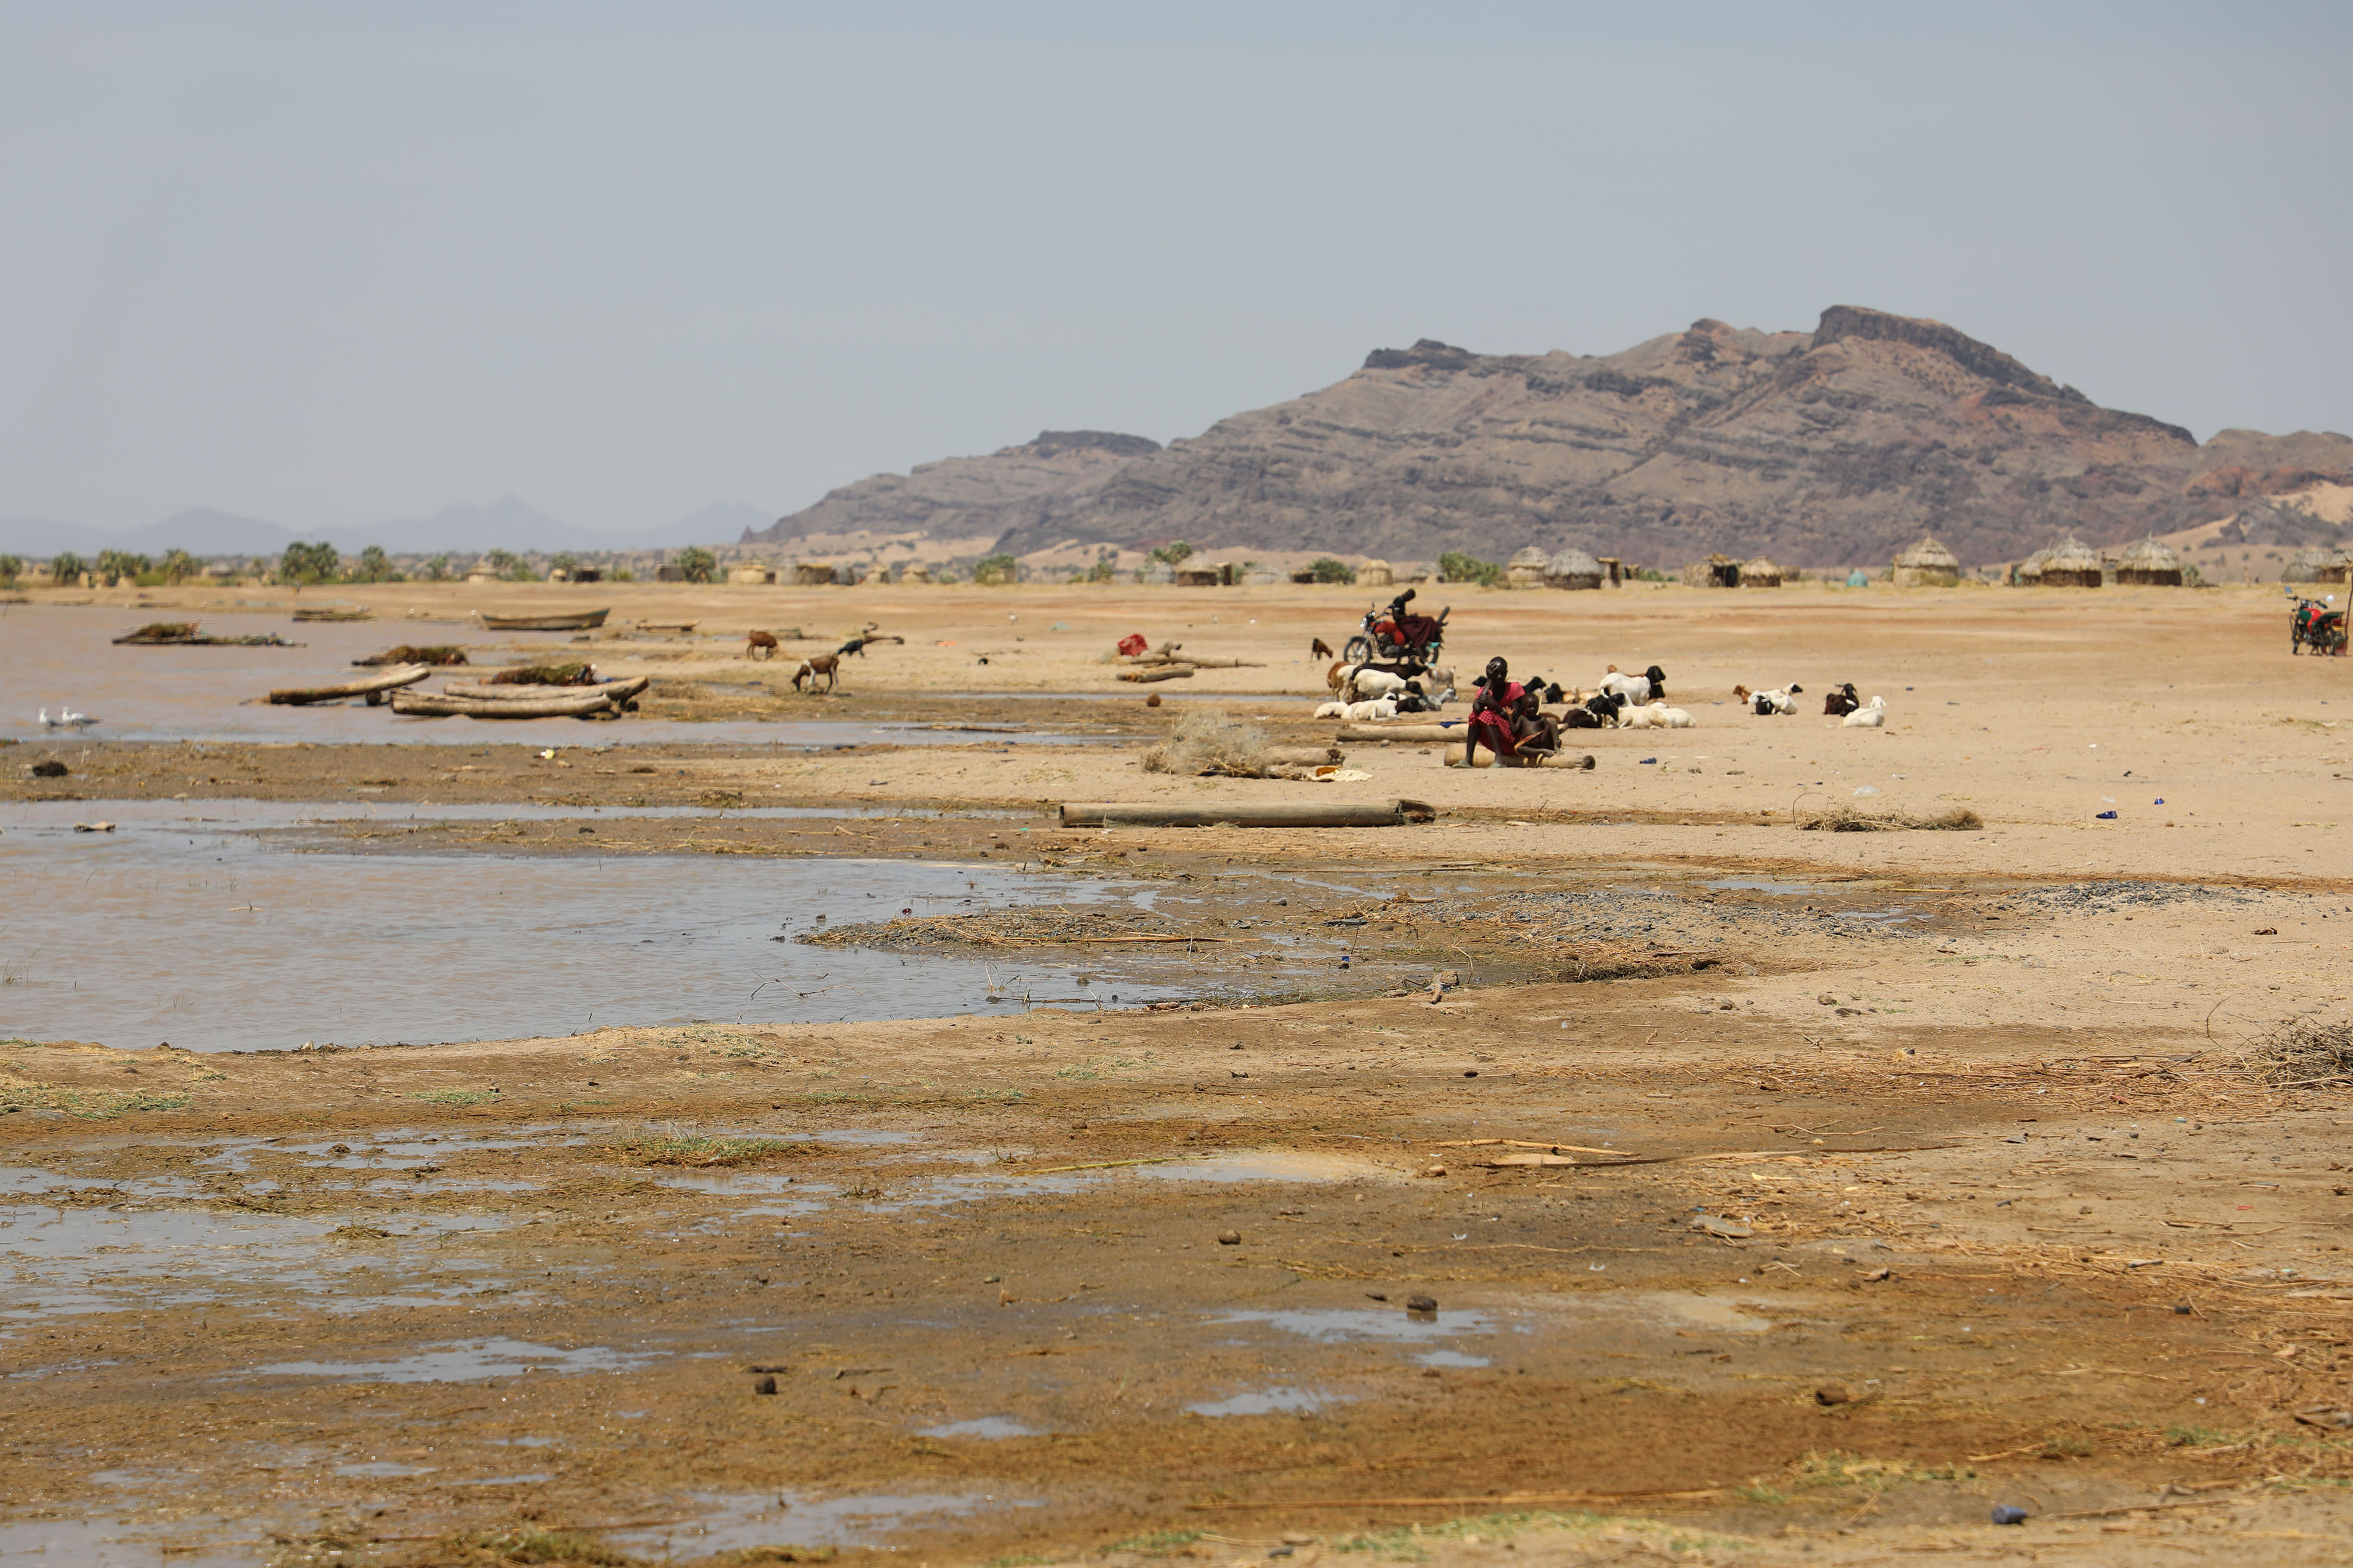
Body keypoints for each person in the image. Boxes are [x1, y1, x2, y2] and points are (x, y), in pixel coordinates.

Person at [1463, 656, 1525, 767]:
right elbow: (1476, 709)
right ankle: (1468, 758)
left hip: (1514, 740)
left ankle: (1500, 759)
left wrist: (1495, 706)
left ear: (1506, 674)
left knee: (1486, 714)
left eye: (1502, 674)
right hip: (1496, 740)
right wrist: (1489, 681)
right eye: (1496, 674)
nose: (1500, 677)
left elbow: (1516, 719)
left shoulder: (1515, 688)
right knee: (1475, 715)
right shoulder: (1484, 691)